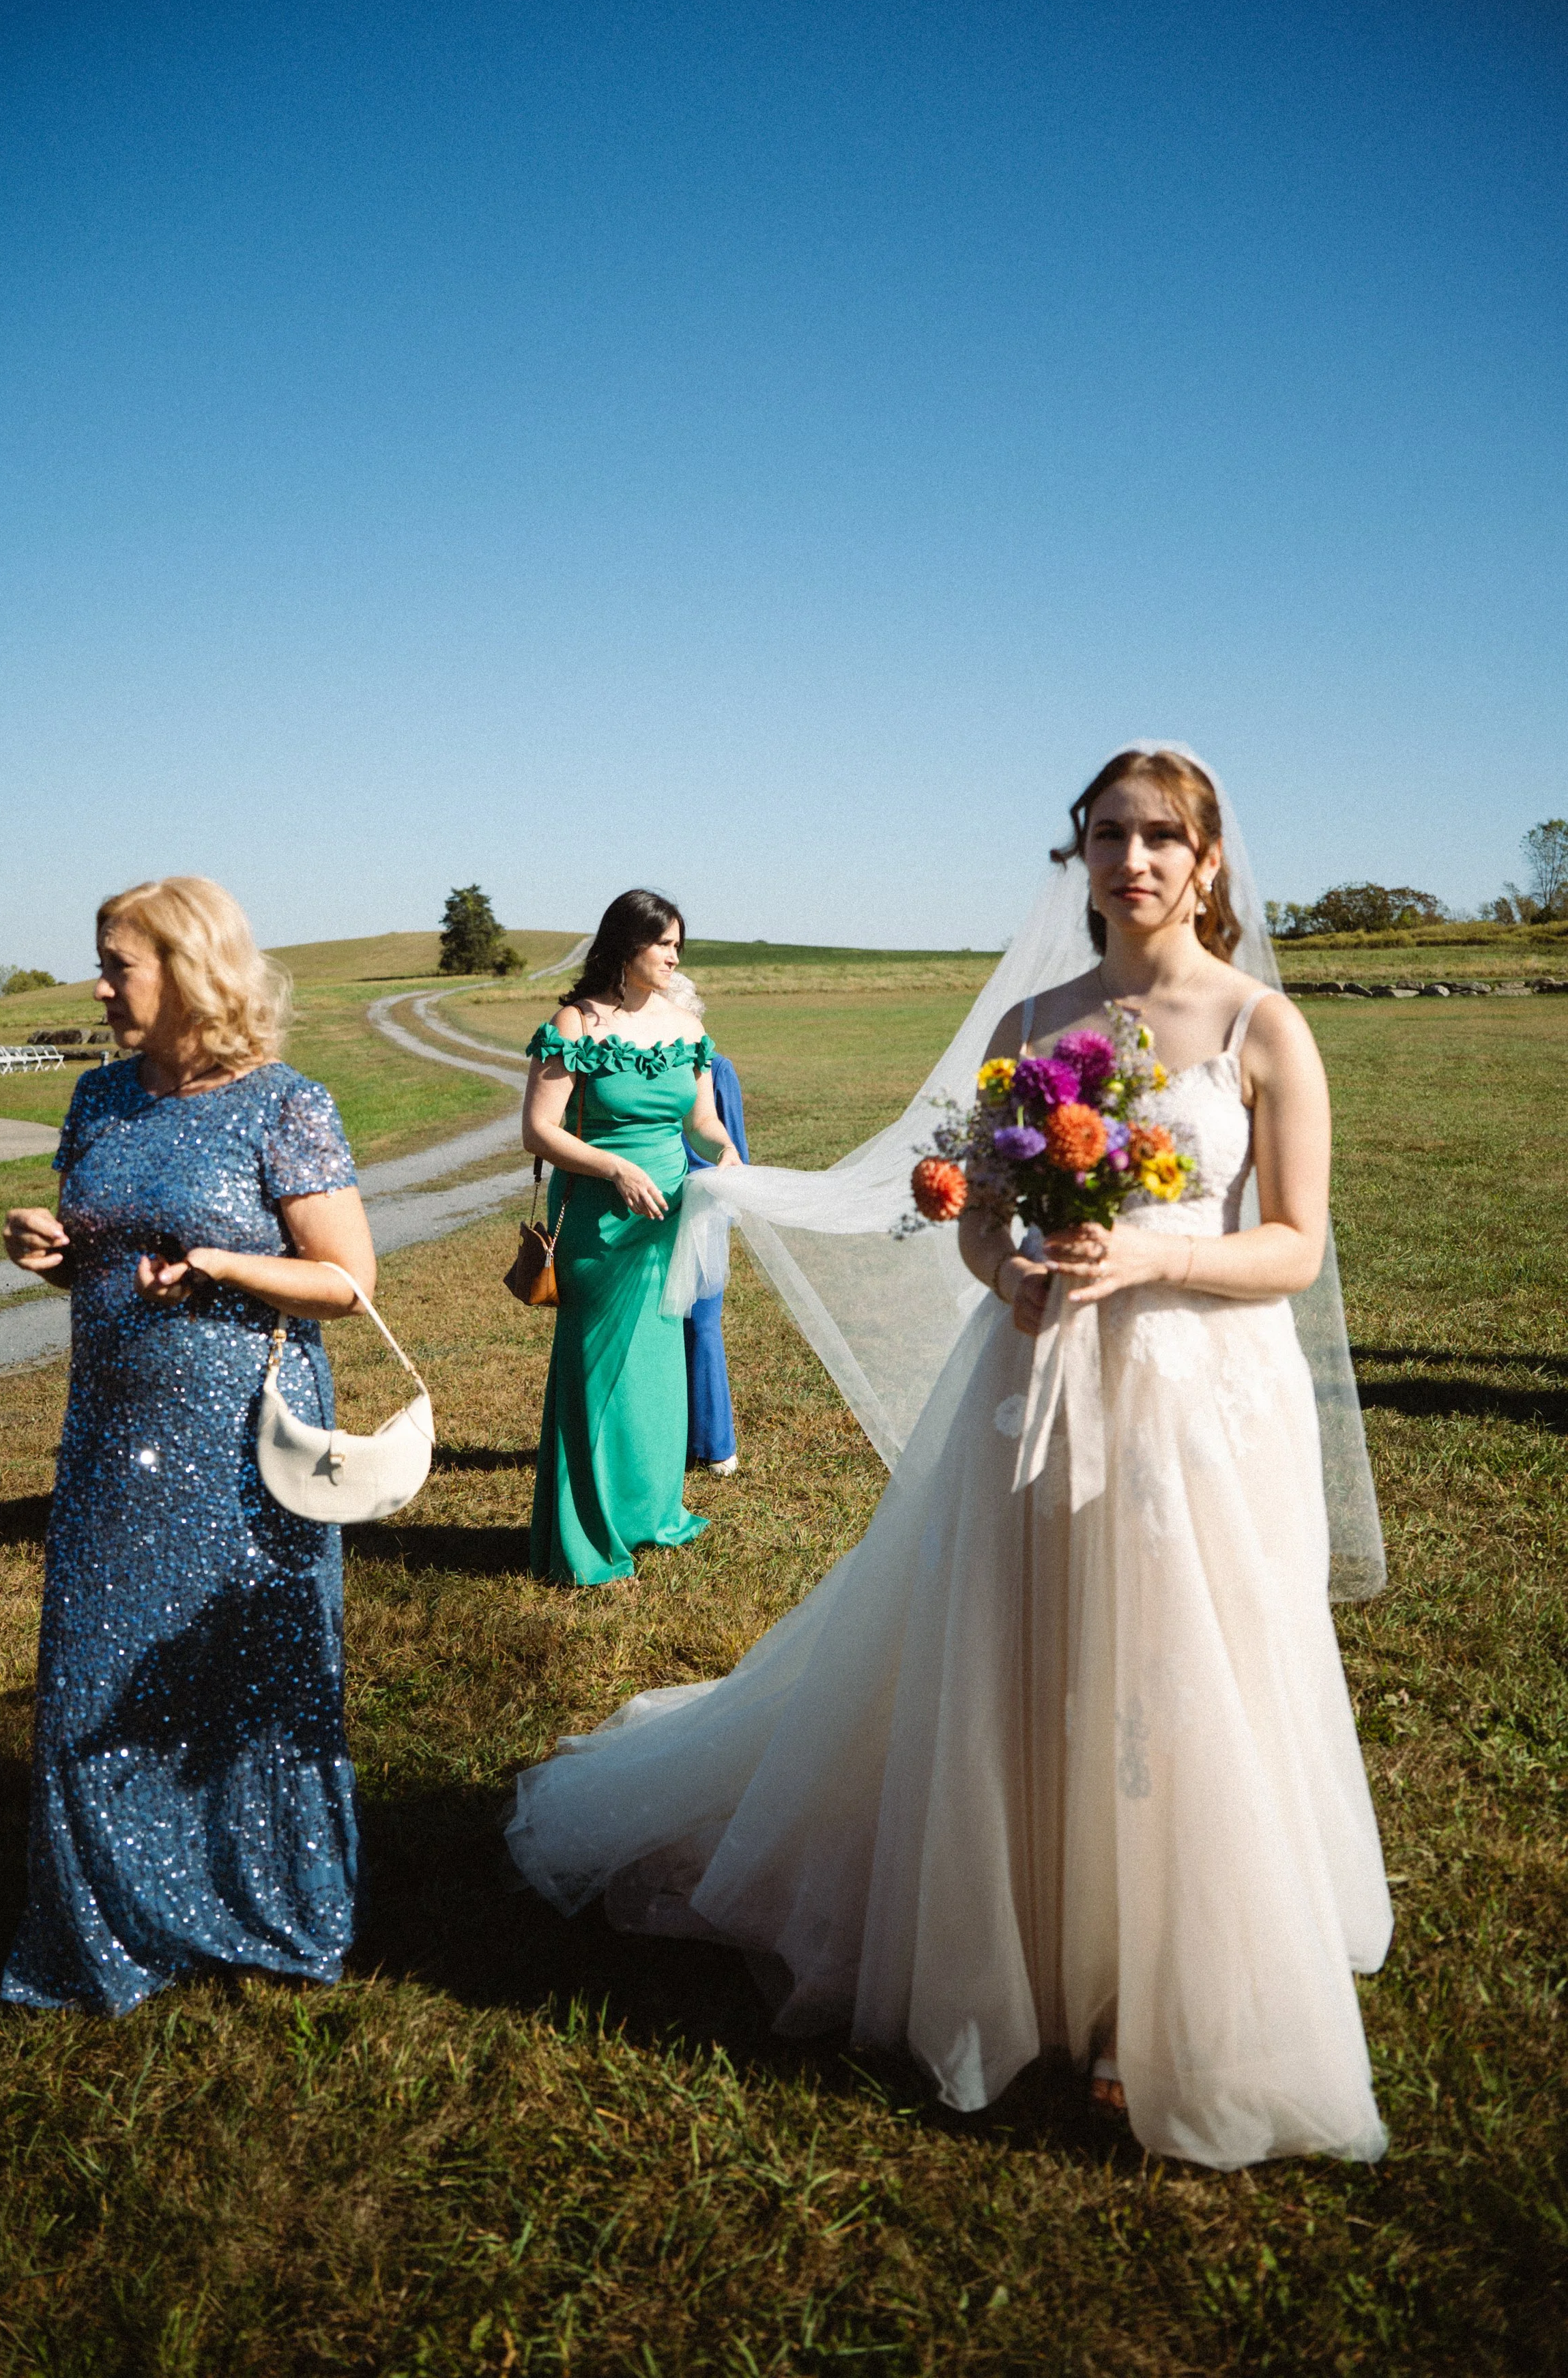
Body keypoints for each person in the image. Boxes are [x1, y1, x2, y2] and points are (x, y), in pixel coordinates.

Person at [507, 749, 1392, 2169]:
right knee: (1027, 1662)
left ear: (1208, 862)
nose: (1135, 858)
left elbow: (1289, 1241)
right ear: (1080, 855)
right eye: (1109, 833)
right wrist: (1016, 1268)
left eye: (1164, 836)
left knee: (1182, 1669)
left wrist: (1149, 1250)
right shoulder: (1032, 1022)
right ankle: (1025, 1943)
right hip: (1037, 1376)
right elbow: (980, 1218)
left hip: (1200, 1395)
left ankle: (1153, 1994)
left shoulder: (1261, 1025)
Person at [0, 875, 377, 2014]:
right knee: (95, 1664)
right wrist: (52, 1245)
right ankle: (112, 1914)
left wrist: (219, 1264)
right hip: (114, 1428)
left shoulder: (284, 1104)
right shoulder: (98, 1098)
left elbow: (346, 1281)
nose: (100, 984)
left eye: (120, 963)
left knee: (251, 1666)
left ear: (192, 968)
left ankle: (269, 1901)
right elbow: (98, 1245)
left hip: (241, 1436)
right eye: (101, 962)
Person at [521, 891, 743, 1587]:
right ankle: (586, 1535)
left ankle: (651, 1511)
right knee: (595, 1374)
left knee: (654, 1369)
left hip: (669, 1217)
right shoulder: (576, 1022)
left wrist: (729, 1155)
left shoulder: (685, 1025)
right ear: (626, 947)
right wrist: (614, 1165)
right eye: (663, 944)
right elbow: (539, 1131)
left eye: (679, 945)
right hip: (598, 1216)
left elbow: (702, 1121)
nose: (674, 957)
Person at [671, 974, 749, 1475]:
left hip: (701, 1212)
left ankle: (715, 1442)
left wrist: (725, 1206)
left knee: (701, 1323)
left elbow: (734, 1148)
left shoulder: (717, 1069)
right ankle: (673, 1437)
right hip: (651, 1210)